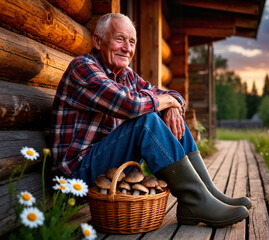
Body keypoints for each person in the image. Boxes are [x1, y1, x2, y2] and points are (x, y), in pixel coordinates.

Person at [51, 13, 251, 228]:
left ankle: (207, 194)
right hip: (76, 176)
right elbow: (132, 106)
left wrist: (172, 107)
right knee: (145, 120)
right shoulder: (83, 68)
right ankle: (196, 200)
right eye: (120, 39)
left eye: (132, 41)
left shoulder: (126, 75)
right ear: (98, 41)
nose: (127, 48)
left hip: (109, 169)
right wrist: (166, 102)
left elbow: (173, 96)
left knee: (166, 116)